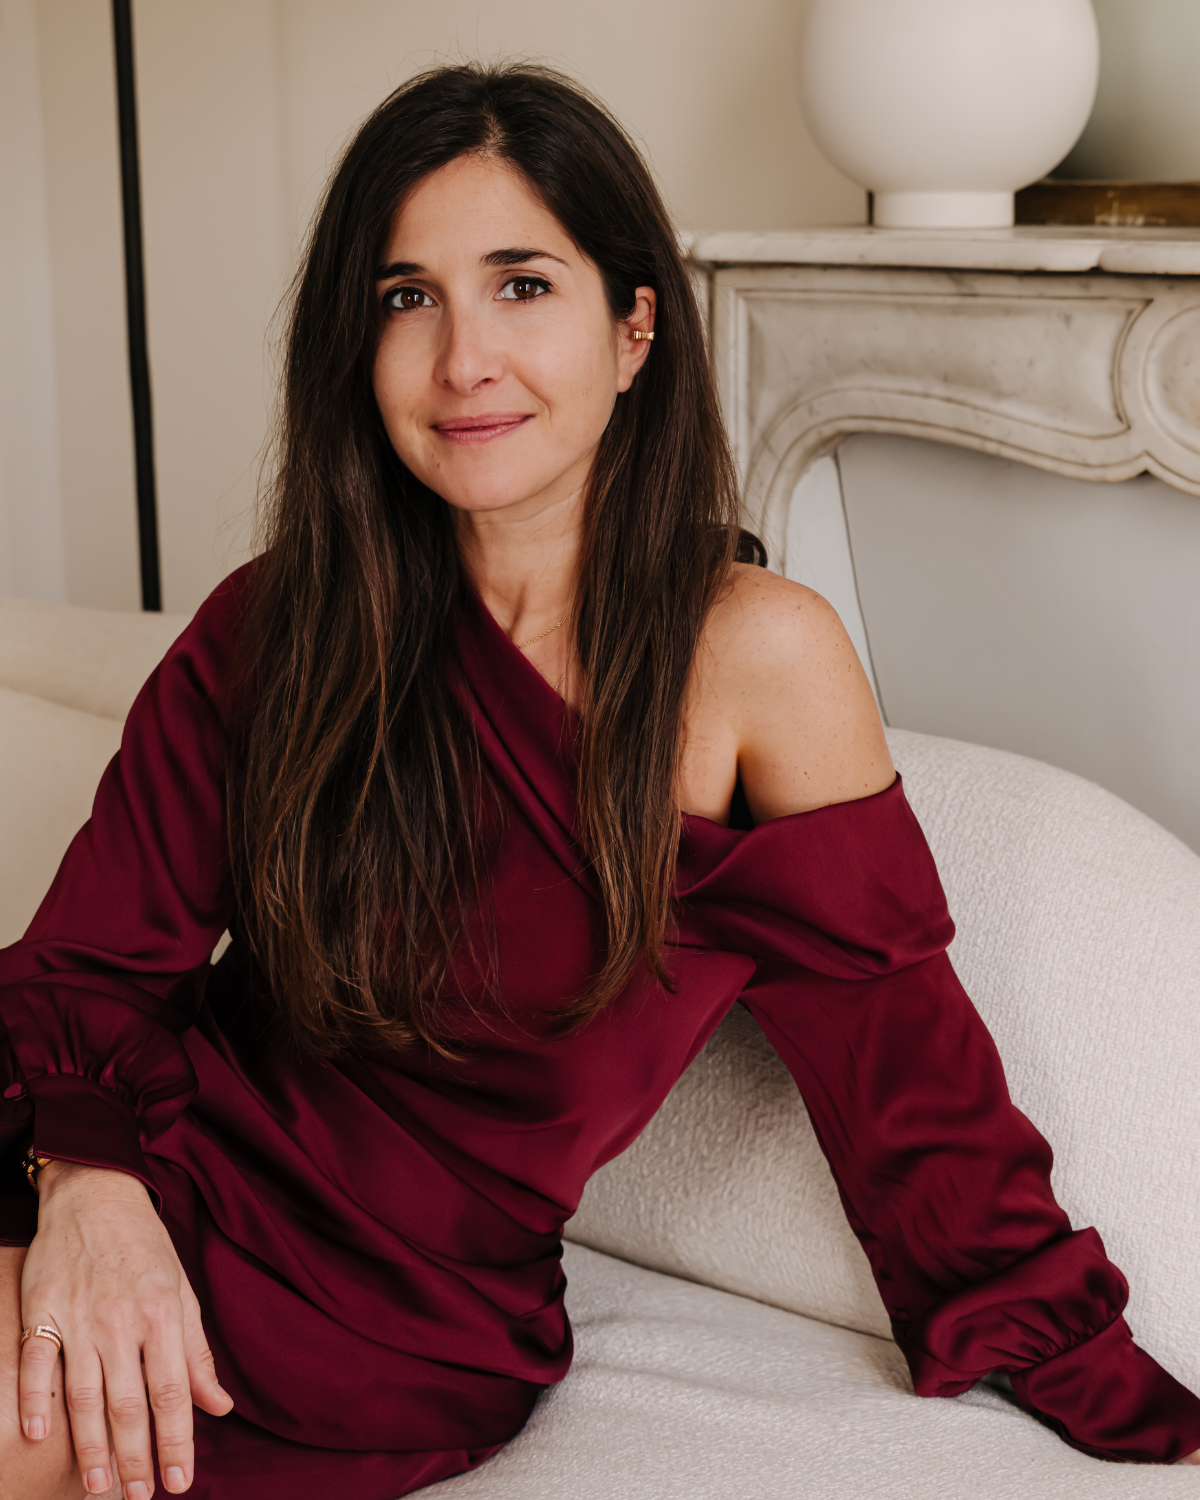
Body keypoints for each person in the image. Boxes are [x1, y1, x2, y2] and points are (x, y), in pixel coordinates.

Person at [1, 62, 1198, 1500]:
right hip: (120, 1156)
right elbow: (85, 967)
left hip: (381, 1312)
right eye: (407, 297)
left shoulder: (754, 663)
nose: (464, 359)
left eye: (522, 285)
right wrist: (90, 1184)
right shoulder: (277, 621)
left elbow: (910, 1089)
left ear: (635, 330)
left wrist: (1111, 1385)